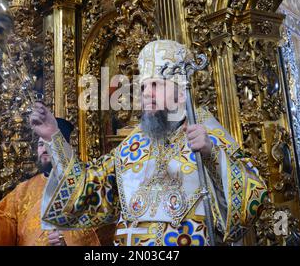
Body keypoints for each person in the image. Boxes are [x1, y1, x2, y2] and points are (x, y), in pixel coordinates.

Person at [32, 40, 267, 246]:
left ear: (181, 94)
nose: (145, 93)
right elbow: (86, 189)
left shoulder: (209, 135)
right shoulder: (132, 146)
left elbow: (252, 198)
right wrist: (54, 137)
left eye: (155, 85)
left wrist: (212, 154)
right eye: (143, 86)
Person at [0, 118, 101, 246]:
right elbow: (6, 225)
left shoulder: (87, 183)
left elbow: (104, 227)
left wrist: (68, 240)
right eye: (41, 145)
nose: (44, 150)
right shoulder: (23, 190)